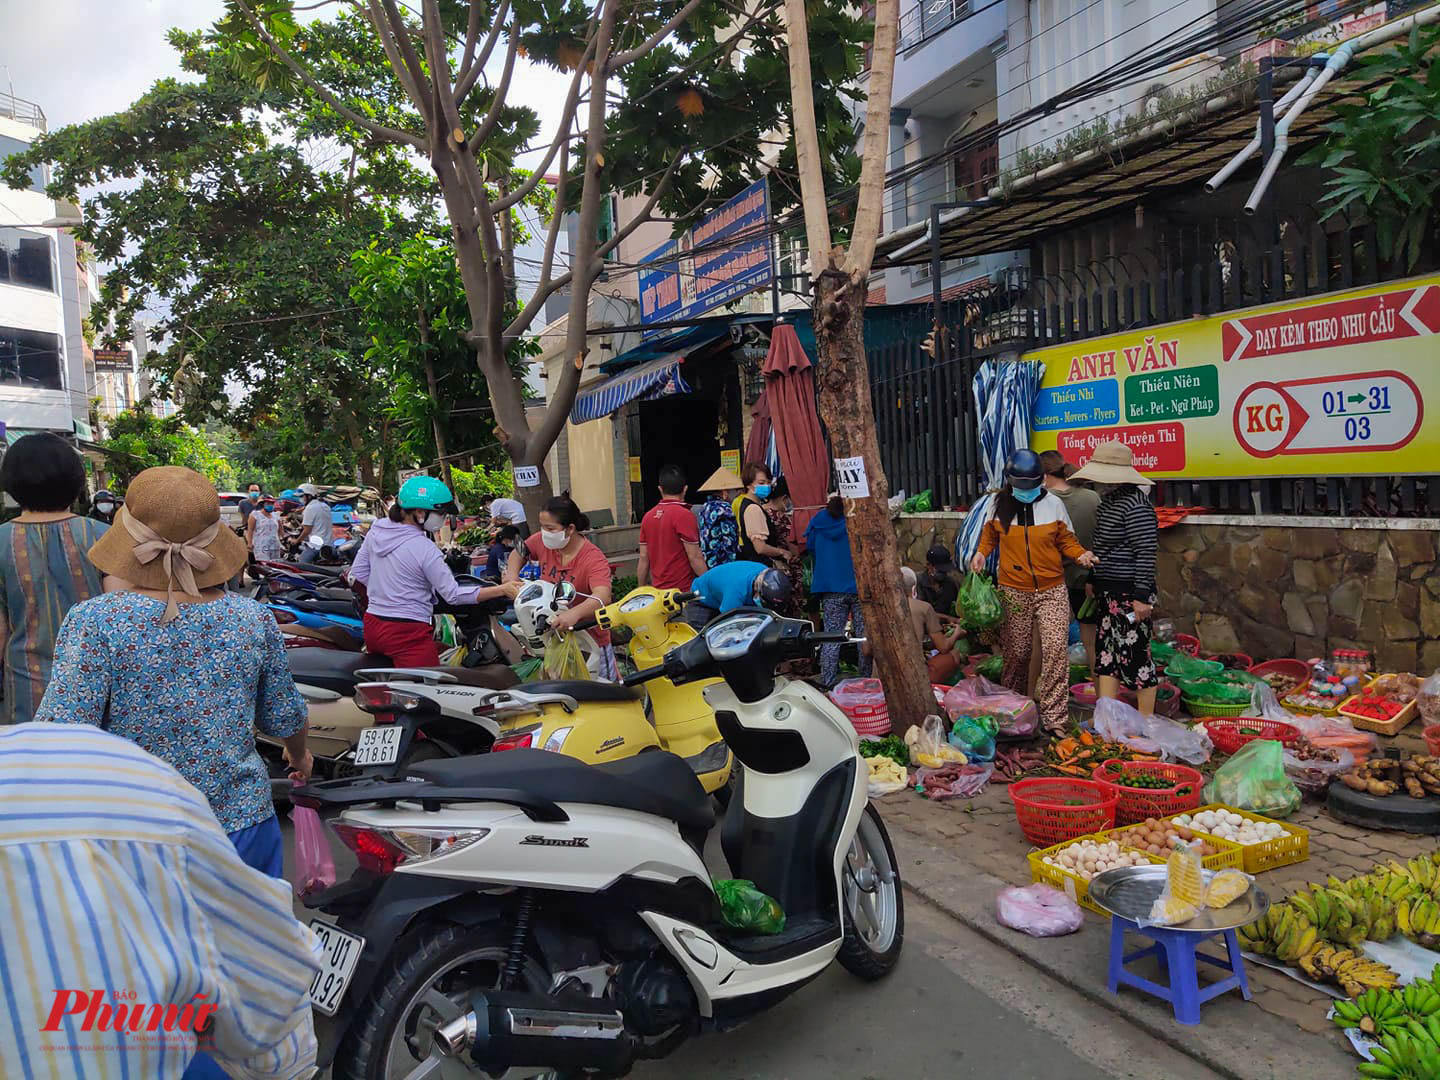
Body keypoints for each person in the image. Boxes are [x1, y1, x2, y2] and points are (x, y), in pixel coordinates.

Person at [35, 465, 311, 880]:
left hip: (134, 833)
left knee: (142, 947)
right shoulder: (252, 618)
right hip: (240, 827)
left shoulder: (96, 621)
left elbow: (63, 732)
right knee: (244, 944)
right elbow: (283, 715)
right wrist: (300, 754)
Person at [0, 722, 320, 1079]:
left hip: (120, 826)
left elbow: (64, 715)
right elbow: (285, 708)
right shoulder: (131, 778)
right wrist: (299, 754)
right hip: (195, 817)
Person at [970, 448, 1098, 735]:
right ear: (1011, 481)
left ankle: (1055, 719)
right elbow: (989, 536)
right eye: (1021, 484)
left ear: (1041, 480)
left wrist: (1081, 556)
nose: (1026, 490)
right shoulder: (997, 504)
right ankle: (1011, 711)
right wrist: (981, 554)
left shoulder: (1053, 505)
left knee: (1055, 650)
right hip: (1013, 589)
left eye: (1031, 484)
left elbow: (1067, 541)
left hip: (1052, 588)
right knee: (1017, 653)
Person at [349, 475, 519, 666]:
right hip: (407, 633)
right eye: (441, 514)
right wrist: (502, 589)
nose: (444, 518)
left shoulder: (376, 532)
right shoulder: (424, 548)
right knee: (429, 690)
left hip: (373, 625)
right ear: (420, 512)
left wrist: (388, 593)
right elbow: (453, 595)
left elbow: (359, 573)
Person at [0, 433, 109, 724]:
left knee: (32, 767)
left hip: (26, 692)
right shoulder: (105, 538)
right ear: (74, 481)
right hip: (98, 691)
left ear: (11, 482)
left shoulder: (2, 541)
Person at [1071, 441, 1161, 714]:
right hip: (1108, 593)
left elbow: (1146, 552)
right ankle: (1108, 719)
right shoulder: (1108, 503)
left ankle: (1145, 722)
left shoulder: (1136, 505)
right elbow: (1101, 547)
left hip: (1130, 594)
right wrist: (1092, 578)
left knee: (1137, 658)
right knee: (1107, 656)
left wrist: (1141, 597)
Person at [505, 494, 616, 679]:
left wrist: (574, 614)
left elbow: (602, 597)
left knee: (602, 696)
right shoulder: (542, 541)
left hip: (590, 642)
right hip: (553, 639)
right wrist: (511, 578)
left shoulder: (592, 558)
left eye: (550, 528)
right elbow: (518, 553)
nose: (544, 532)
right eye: (542, 526)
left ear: (570, 528)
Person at [1038, 449, 1101, 676]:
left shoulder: (1045, 503)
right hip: (1091, 578)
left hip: (1054, 581)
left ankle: (1052, 688)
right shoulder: (1092, 498)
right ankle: (1100, 691)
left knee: (1050, 641)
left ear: (1044, 475)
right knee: (1092, 640)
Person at [807, 494, 869, 688]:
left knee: (831, 635)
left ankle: (827, 681)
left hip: (830, 588)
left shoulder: (817, 523)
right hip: (857, 587)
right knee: (862, 636)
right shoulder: (854, 522)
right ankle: (866, 679)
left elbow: (810, 548)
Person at [637, 464, 708, 591]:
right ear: (685, 489)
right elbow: (695, 557)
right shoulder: (684, 515)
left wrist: (640, 590)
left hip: (659, 593)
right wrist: (711, 584)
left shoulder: (648, 517)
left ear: (660, 489)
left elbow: (643, 558)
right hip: (682, 592)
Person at [901, 566, 966, 682]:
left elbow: (866, 650)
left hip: (880, 675)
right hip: (912, 676)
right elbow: (944, 647)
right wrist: (957, 633)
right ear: (914, 588)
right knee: (954, 654)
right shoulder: (924, 607)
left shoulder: (877, 608)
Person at [691, 561, 792, 620]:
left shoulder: (765, 573)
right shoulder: (735, 593)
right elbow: (729, 624)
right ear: (757, 592)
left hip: (725, 593)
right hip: (701, 598)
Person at [736, 462, 790, 567]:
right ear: (749, 485)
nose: (766, 486)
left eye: (768, 482)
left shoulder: (752, 504)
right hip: (760, 567)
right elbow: (760, 547)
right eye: (761, 483)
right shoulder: (753, 509)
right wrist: (782, 552)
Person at [695, 465, 742, 568]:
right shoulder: (724, 508)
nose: (736, 494)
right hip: (723, 563)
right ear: (725, 492)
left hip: (708, 562)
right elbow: (730, 541)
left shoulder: (705, 507)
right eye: (734, 491)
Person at [917, 544, 963, 619]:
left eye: (945, 571)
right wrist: (948, 618)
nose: (943, 573)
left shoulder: (952, 584)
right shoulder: (917, 582)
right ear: (929, 565)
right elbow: (920, 611)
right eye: (940, 570)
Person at [296, 483, 334, 564]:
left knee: (301, 564)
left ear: (309, 496)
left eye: (302, 496)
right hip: (329, 544)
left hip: (315, 546)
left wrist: (296, 541)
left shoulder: (310, 508)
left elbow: (307, 531)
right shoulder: (325, 506)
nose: (300, 499)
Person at [247, 493, 283, 562]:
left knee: (275, 567)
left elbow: (280, 530)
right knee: (264, 566)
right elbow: (250, 530)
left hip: (275, 546)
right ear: (262, 504)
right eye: (268, 503)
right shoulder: (255, 515)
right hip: (261, 547)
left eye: (272, 503)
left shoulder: (276, 515)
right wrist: (250, 543)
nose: (270, 505)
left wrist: (282, 541)